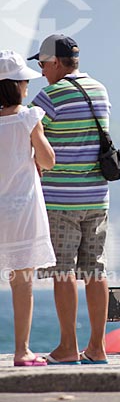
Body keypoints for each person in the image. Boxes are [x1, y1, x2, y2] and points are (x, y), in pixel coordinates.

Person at [27, 35, 111, 365]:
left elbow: (27, 134)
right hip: (98, 197)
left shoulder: (50, 96)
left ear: (57, 63)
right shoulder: (100, 90)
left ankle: (66, 347)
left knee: (64, 272)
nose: (41, 70)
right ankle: (98, 347)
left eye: (43, 64)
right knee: (96, 272)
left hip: (61, 201)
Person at [0, 50, 56, 367]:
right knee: (22, 282)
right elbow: (48, 159)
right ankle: (22, 351)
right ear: (17, 84)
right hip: (22, 210)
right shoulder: (28, 117)